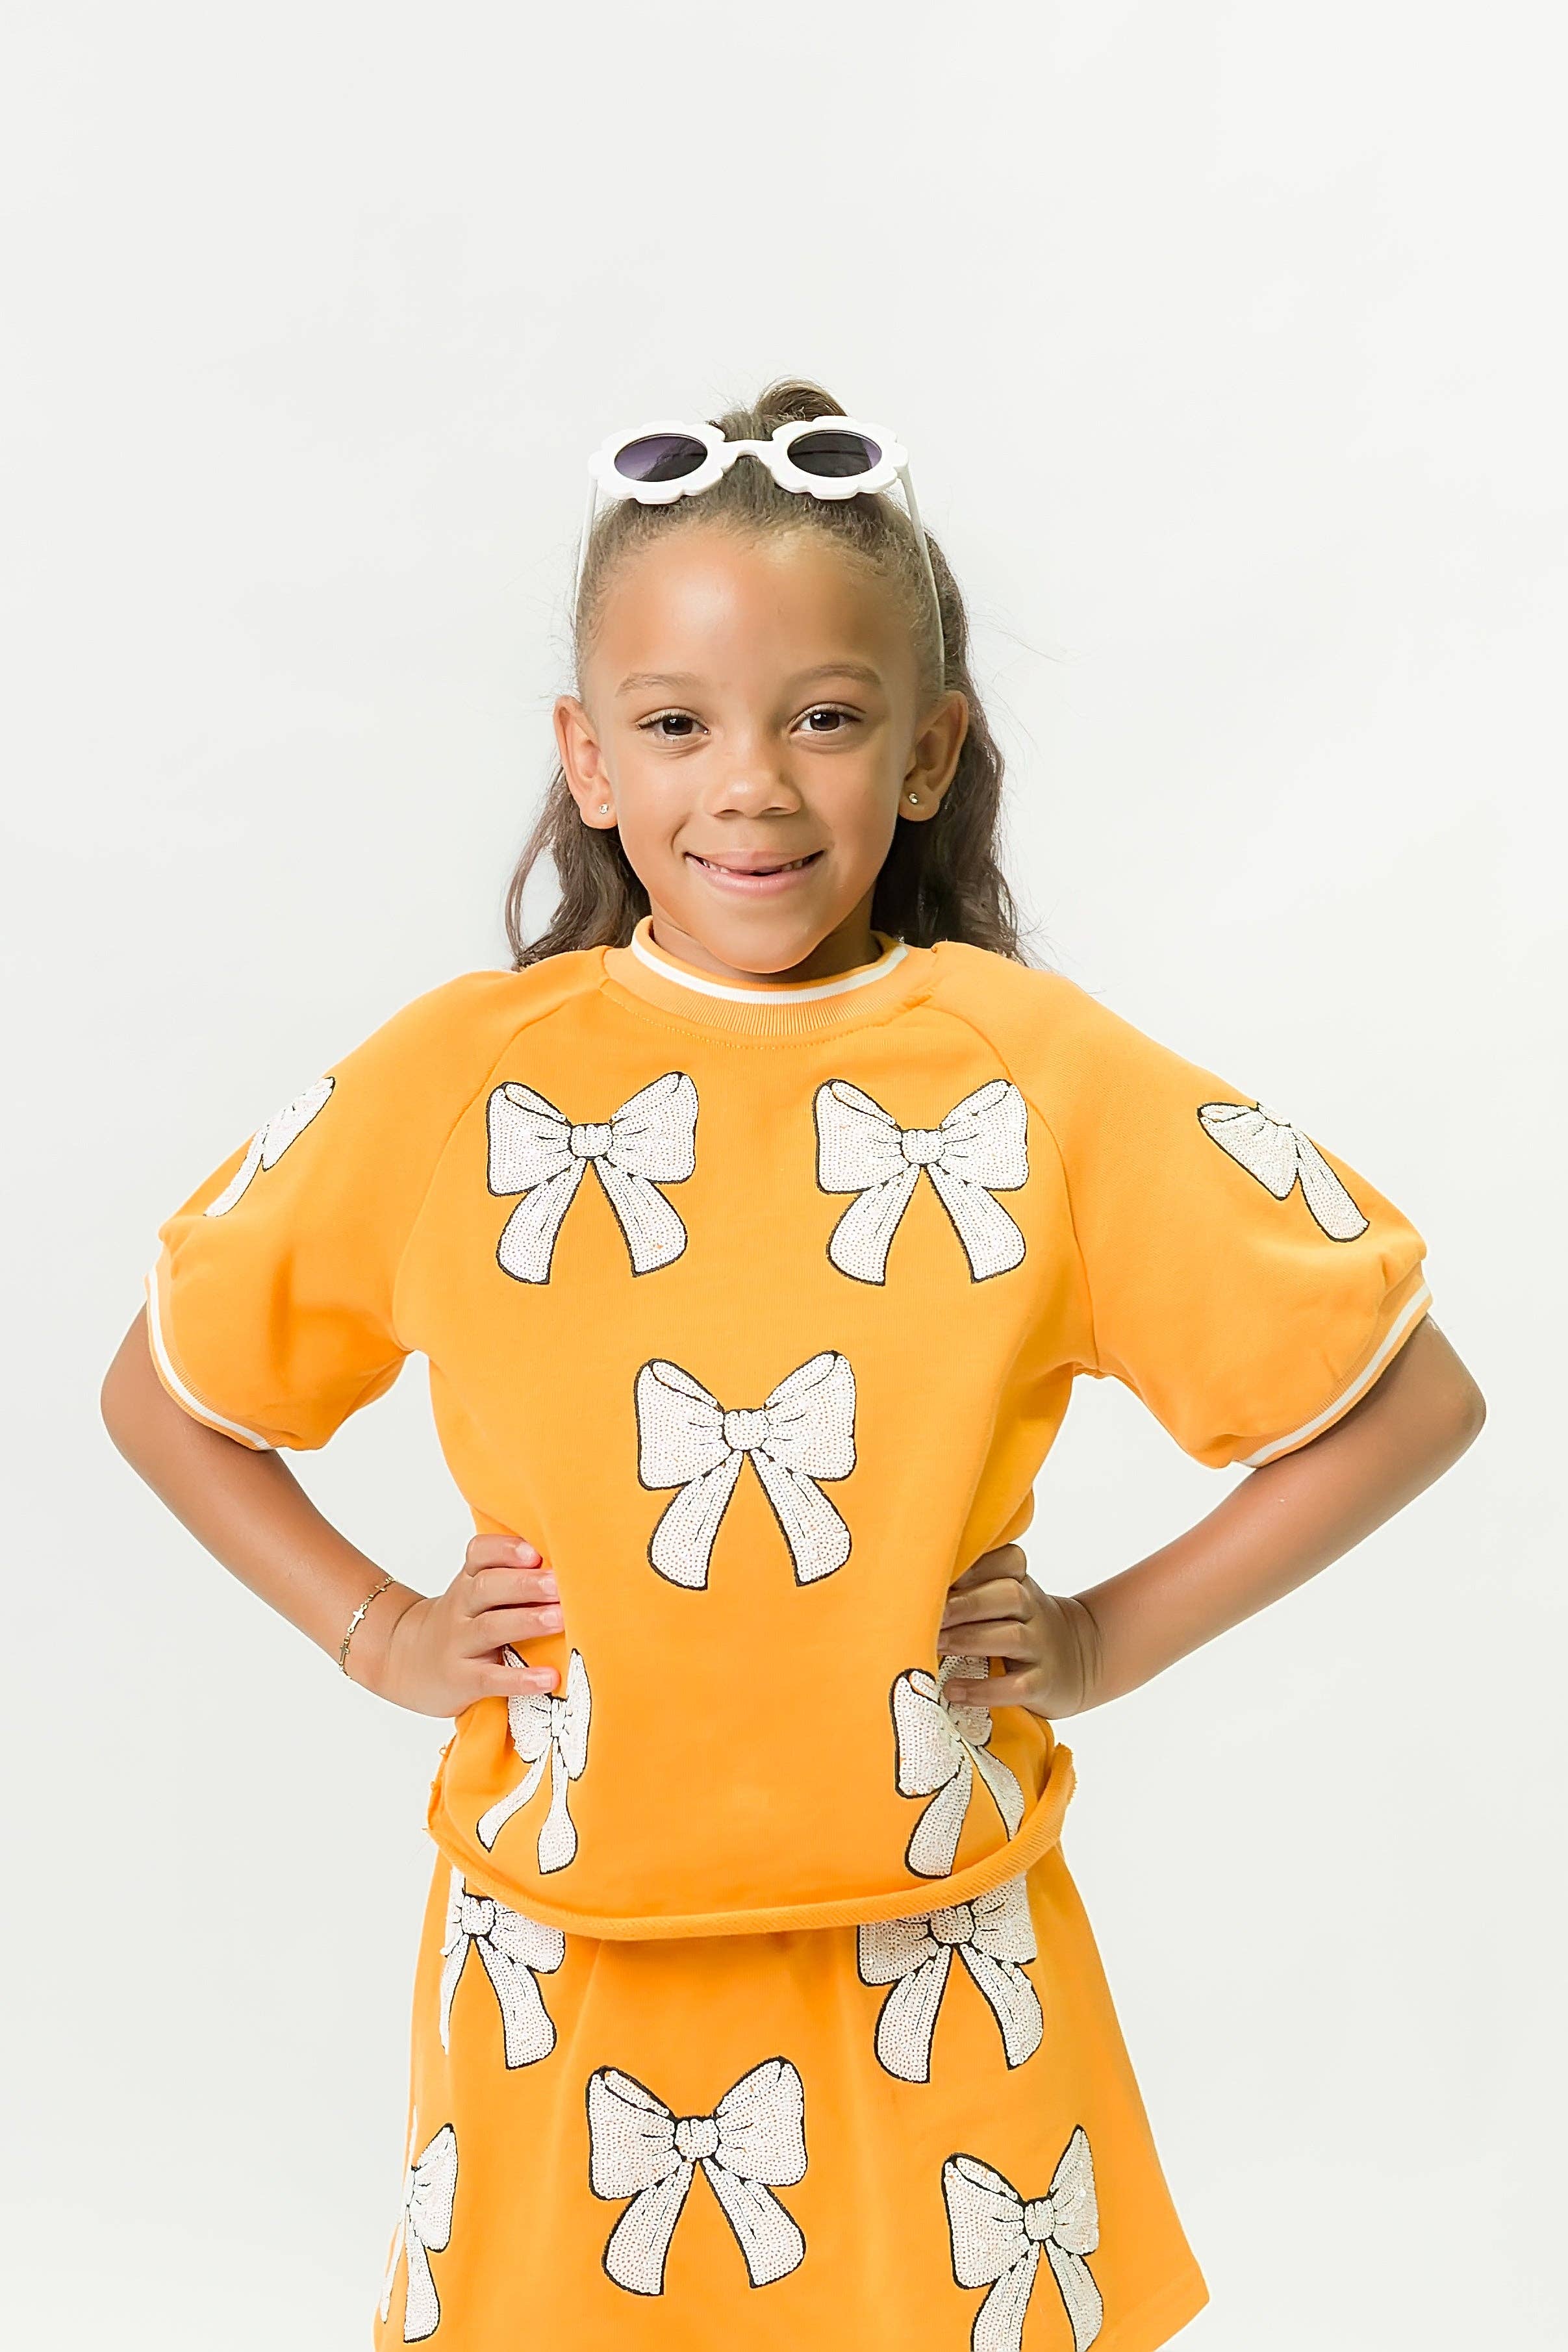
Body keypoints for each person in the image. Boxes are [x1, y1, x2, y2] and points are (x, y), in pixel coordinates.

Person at [101, 379, 1486, 2352]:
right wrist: (379, 1634)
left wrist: (1104, 1639)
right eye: (677, 724)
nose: (749, 785)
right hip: (561, 1965)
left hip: (938, 1954)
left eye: (823, 718)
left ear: (929, 753)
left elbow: (1407, 1397)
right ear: (586, 759)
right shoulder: (460, 1082)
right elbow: (167, 1392)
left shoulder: (1033, 1075)